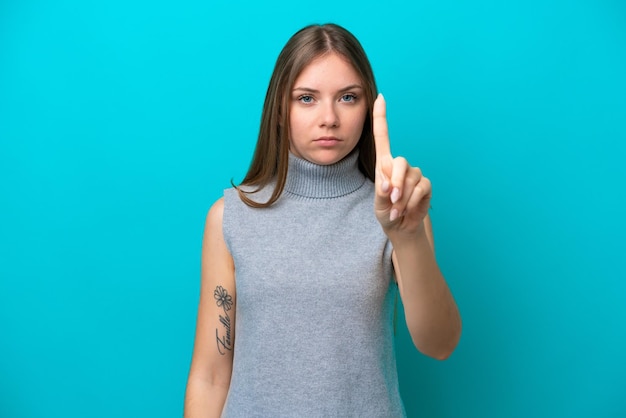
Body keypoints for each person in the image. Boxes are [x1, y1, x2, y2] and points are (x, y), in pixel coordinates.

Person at [184, 23, 461, 417]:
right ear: (280, 109)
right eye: (307, 98)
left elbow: (441, 343)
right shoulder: (230, 217)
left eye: (348, 97)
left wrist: (408, 236)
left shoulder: (400, 215)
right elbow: (210, 375)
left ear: (367, 108)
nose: (329, 118)